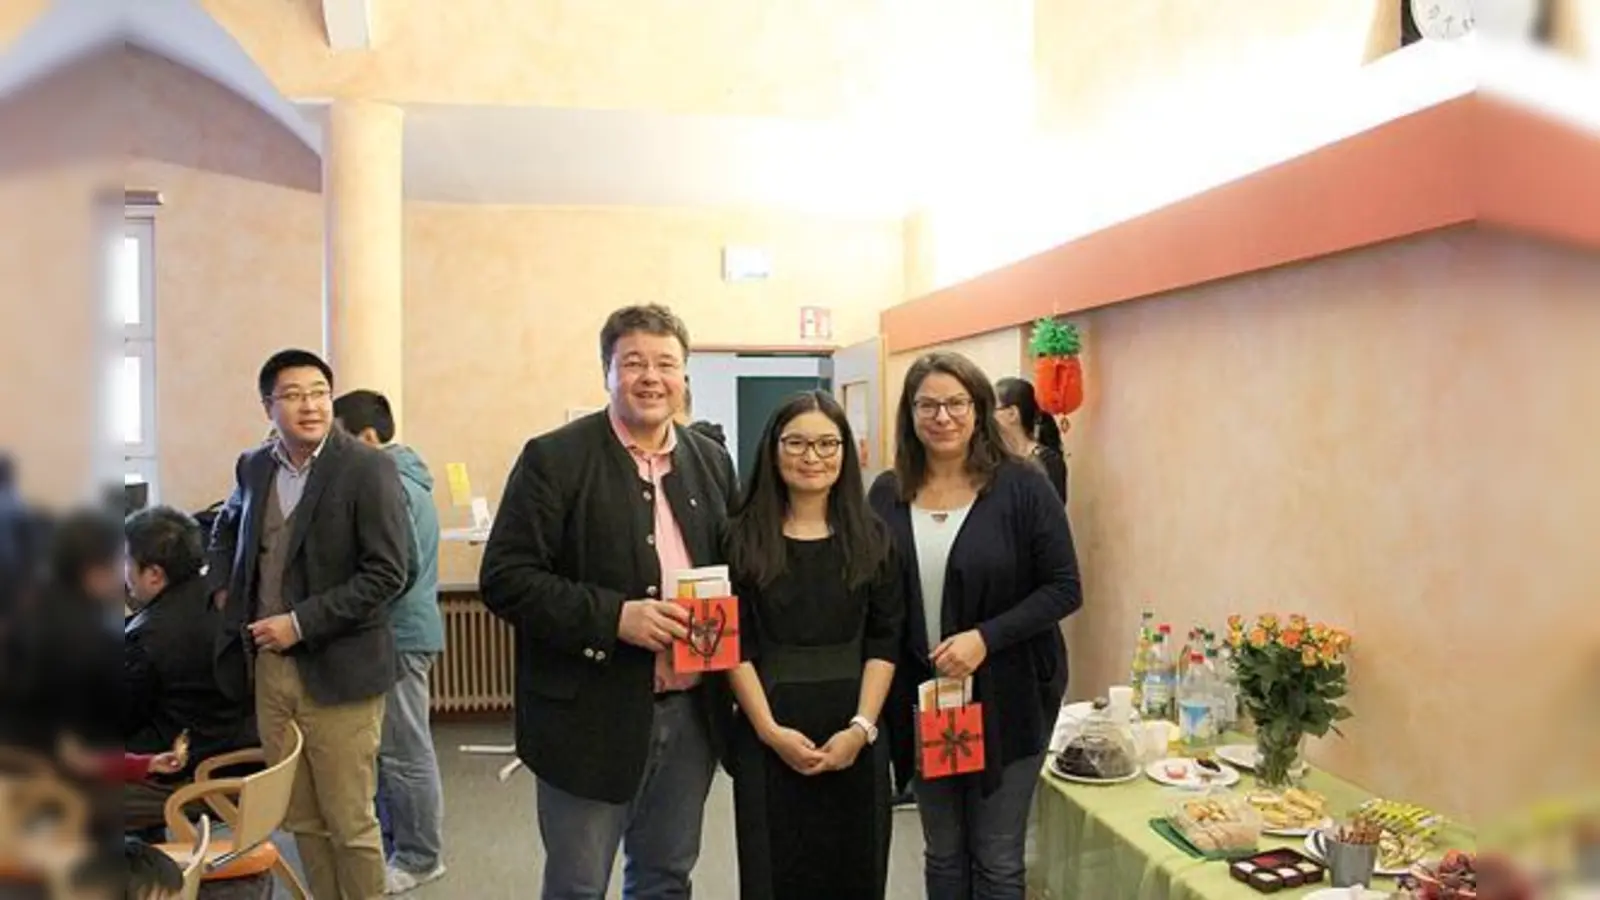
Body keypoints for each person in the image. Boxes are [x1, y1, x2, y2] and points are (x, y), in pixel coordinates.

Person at [480, 303, 738, 900]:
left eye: (666, 364)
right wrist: (612, 616)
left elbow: (736, 567)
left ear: (684, 376)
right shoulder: (554, 458)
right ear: (607, 372)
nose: (651, 377)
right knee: (578, 885)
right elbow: (505, 577)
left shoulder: (710, 461)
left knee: (666, 878)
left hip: (691, 714)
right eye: (634, 363)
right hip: (587, 718)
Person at [868, 352, 1082, 900]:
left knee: (997, 855)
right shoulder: (887, 494)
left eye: (956, 402)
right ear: (910, 413)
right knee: (942, 851)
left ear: (979, 408)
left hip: (1011, 694)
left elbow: (1064, 587)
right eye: (928, 404)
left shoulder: (1022, 486)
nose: (943, 416)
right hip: (926, 700)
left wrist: (985, 639)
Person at [207, 348, 411, 900]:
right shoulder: (254, 465)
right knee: (301, 820)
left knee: (350, 822)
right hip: (271, 672)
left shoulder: (368, 468)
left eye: (319, 392)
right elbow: (225, 529)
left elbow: (389, 572)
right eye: (293, 395)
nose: (310, 405)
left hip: (341, 671)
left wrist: (300, 623)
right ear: (267, 405)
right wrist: (227, 591)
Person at [724, 390, 903, 900]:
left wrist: (862, 729)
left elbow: (884, 641)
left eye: (828, 443)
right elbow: (731, 645)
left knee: (855, 876)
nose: (812, 457)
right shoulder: (737, 539)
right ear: (772, 449)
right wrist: (769, 731)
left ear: (846, 452)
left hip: (855, 732)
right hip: (768, 731)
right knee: (773, 878)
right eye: (797, 442)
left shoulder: (874, 538)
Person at [333, 388, 449, 894]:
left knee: (405, 751)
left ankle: (422, 857)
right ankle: (399, 844)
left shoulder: (392, 483)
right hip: (399, 630)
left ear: (366, 437)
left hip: (398, 632)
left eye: (339, 440)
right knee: (392, 750)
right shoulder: (403, 478)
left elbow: (392, 571)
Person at [123, 505, 255, 832]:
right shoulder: (225, 601)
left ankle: (143, 868)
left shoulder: (149, 636)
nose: (122, 572)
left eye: (126, 562)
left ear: (154, 574)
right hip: (239, 750)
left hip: (189, 767)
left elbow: (122, 717)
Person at [994, 377, 1068, 505]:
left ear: (1012, 414)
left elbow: (1051, 515)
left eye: (992, 408)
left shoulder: (1047, 461)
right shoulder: (995, 458)